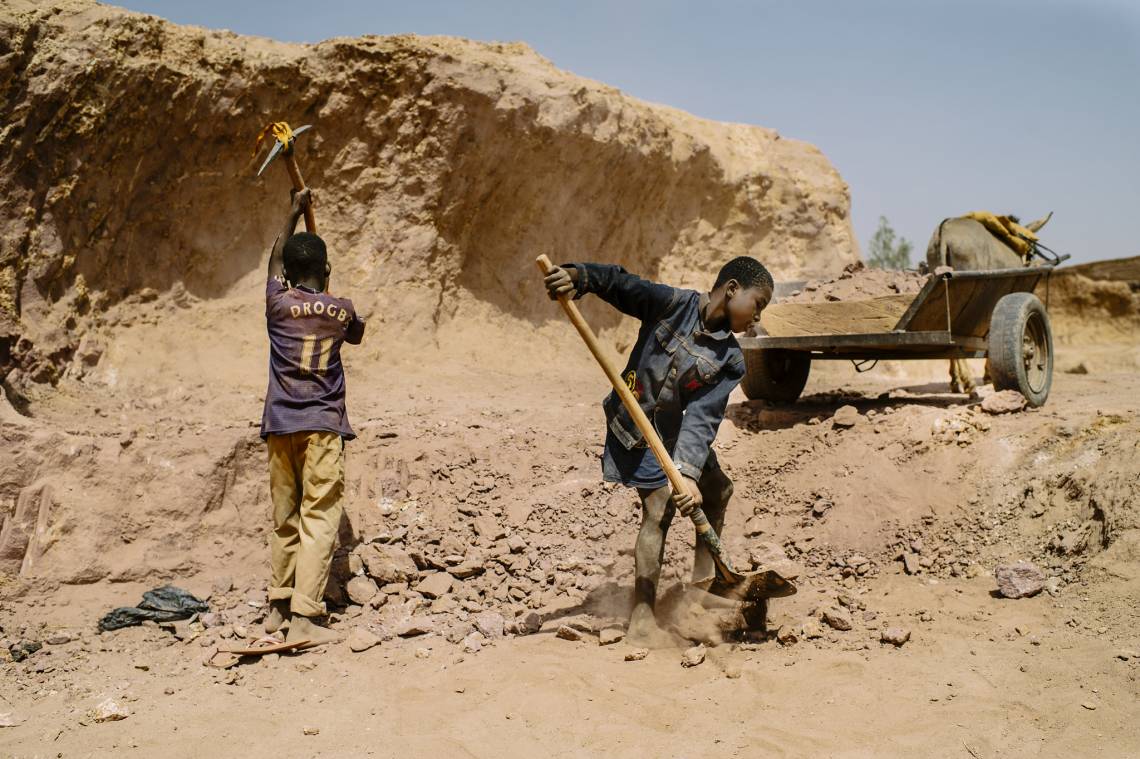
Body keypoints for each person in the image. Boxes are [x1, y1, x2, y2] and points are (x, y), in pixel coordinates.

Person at [543, 257, 772, 644]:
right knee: (660, 506)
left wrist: (689, 472)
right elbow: (622, 284)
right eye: (759, 304)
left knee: (719, 490)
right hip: (633, 425)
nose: (757, 318)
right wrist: (579, 277)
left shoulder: (731, 359)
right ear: (732, 289)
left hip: (673, 432)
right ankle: (643, 615)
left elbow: (702, 417)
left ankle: (703, 591)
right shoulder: (672, 305)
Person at [260, 188, 365, 647]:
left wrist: (291, 214)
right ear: (325, 270)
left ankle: (278, 607)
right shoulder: (341, 310)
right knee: (319, 516)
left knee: (285, 515)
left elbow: (273, 262)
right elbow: (357, 336)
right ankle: (305, 617)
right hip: (322, 425)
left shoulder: (277, 305)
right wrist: (330, 286)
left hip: (280, 426)